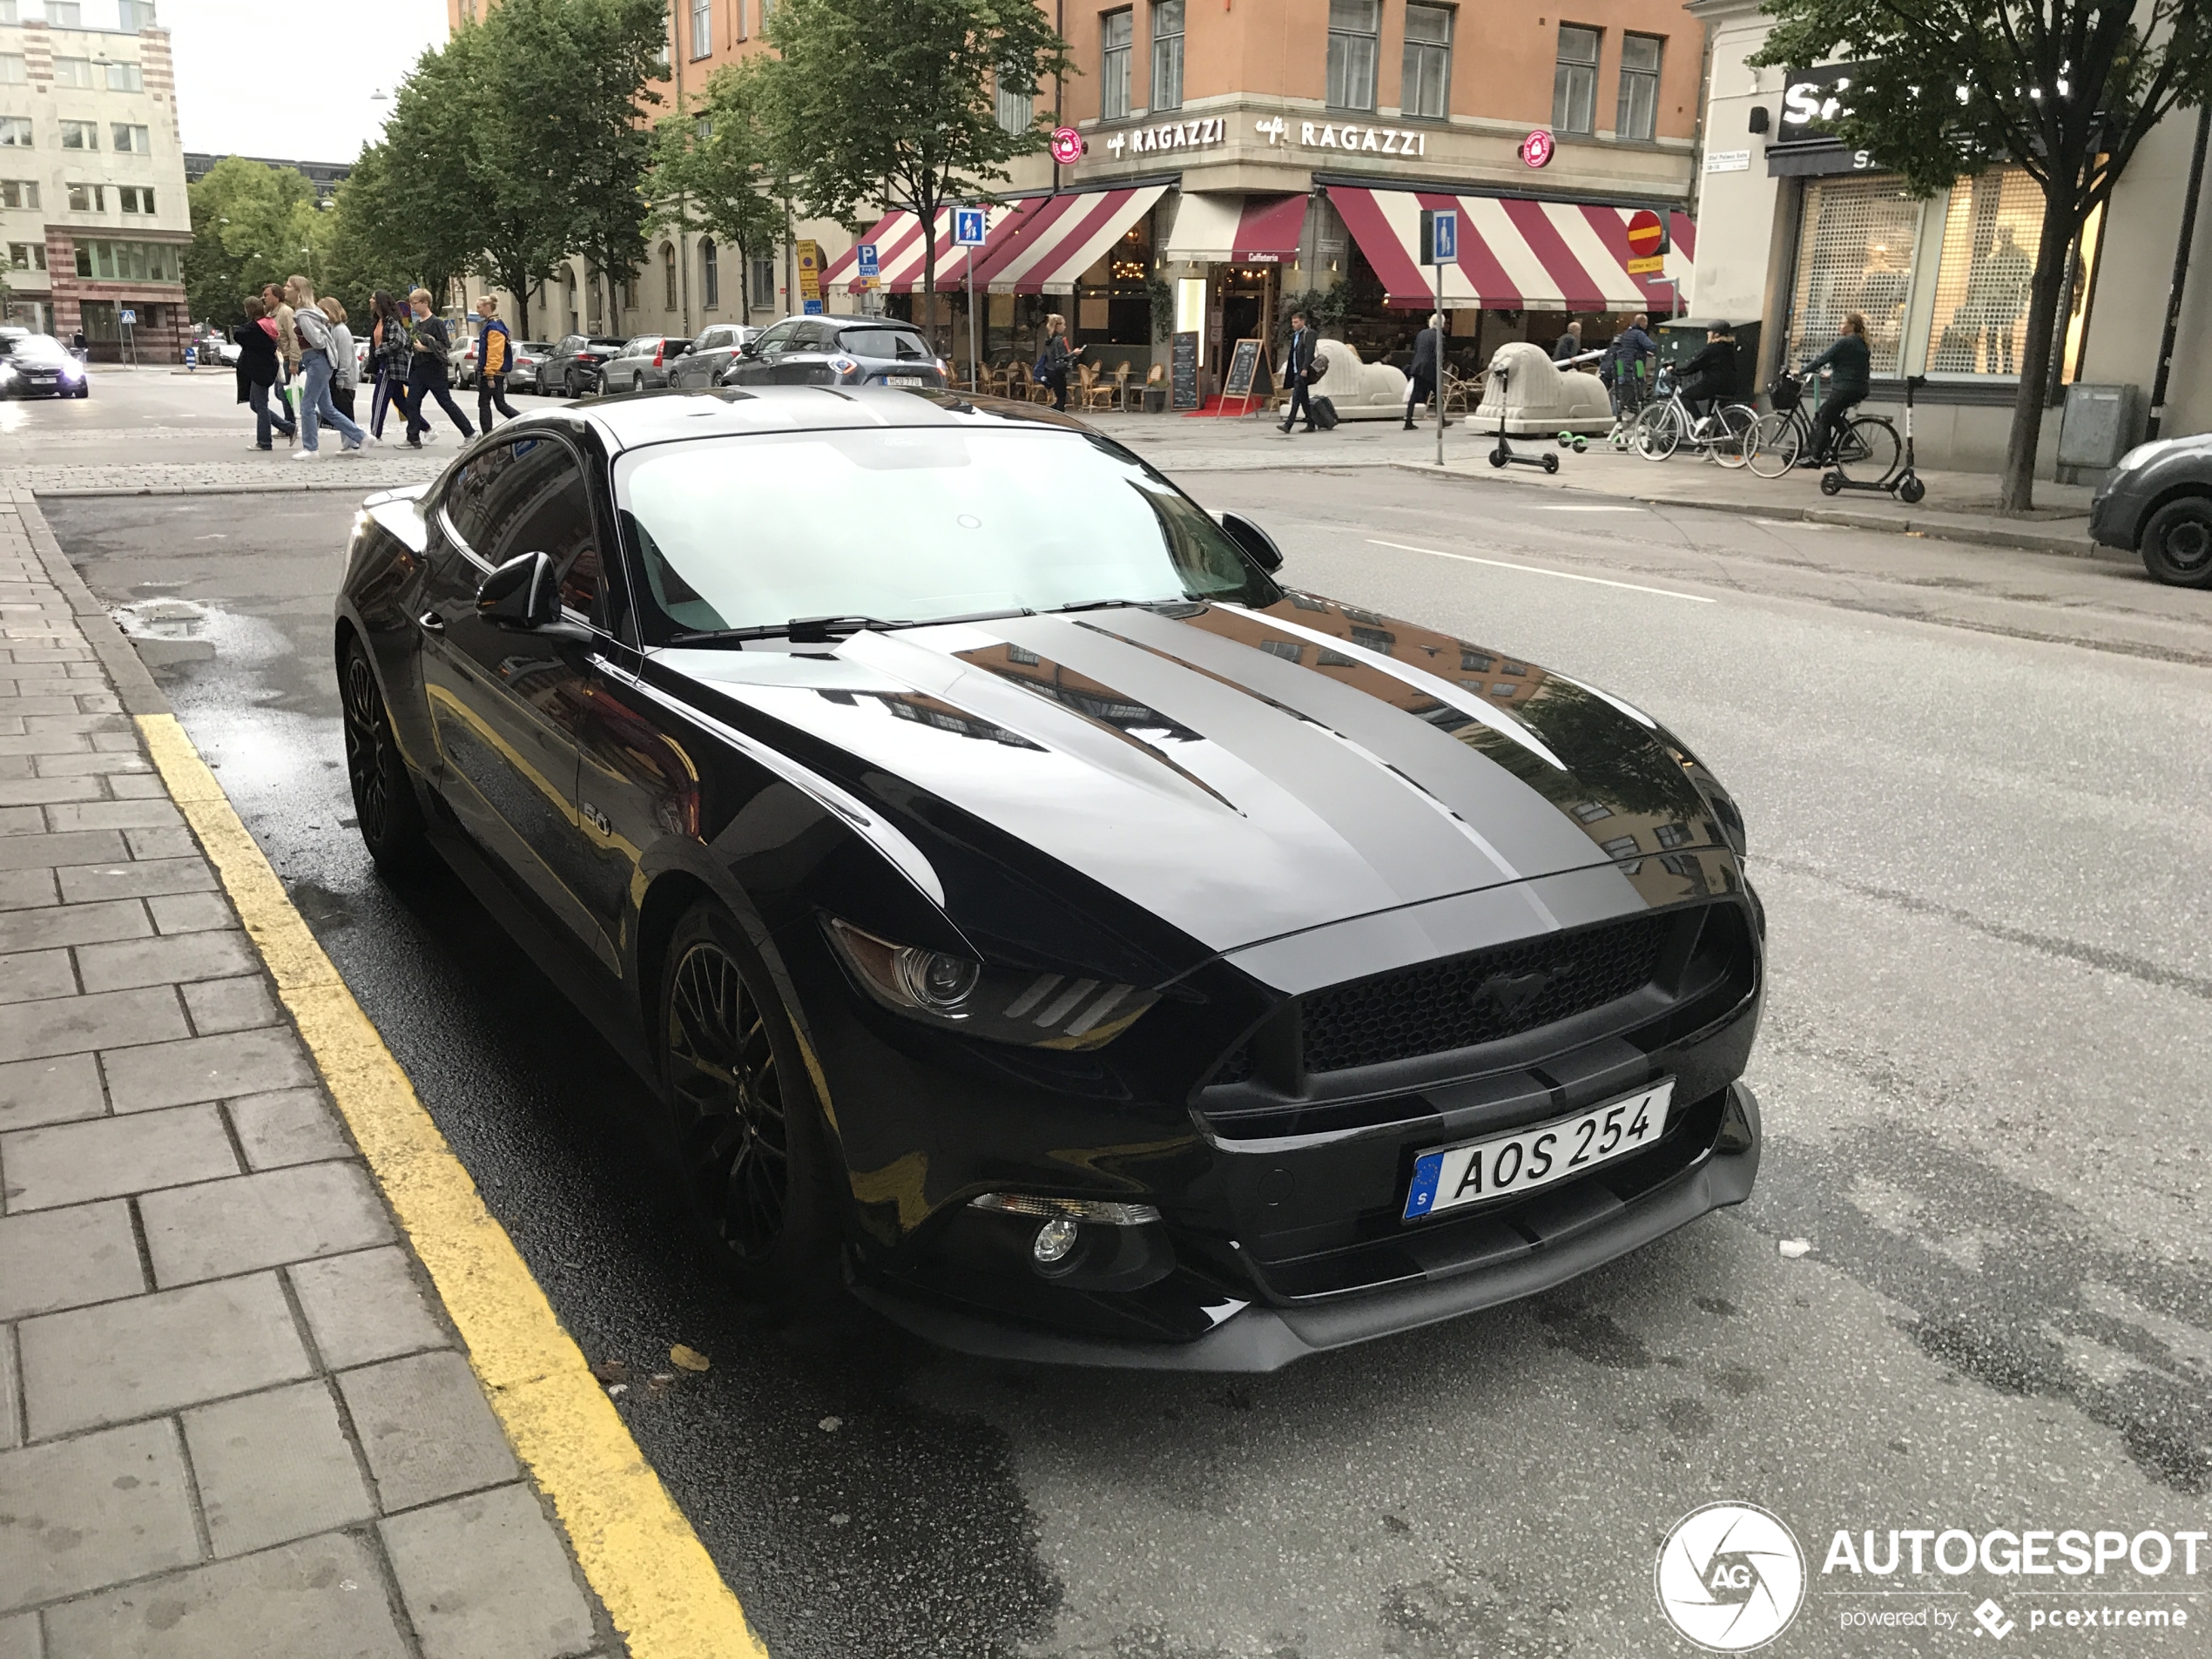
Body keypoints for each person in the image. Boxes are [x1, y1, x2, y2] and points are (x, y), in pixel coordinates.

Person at [285, 275, 370, 458]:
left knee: (307, 405)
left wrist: (318, 341)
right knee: (327, 409)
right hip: (318, 361)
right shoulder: (310, 311)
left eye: (288, 286)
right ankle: (362, 437)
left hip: (316, 360)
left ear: (298, 291)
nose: (285, 288)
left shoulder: (303, 314)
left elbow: (316, 341)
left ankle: (311, 448)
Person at [1799, 311, 1871, 468]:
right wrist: (1832, 375)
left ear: (1851, 326)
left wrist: (1799, 372)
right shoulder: (1861, 344)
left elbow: (1822, 359)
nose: (1840, 326)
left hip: (1845, 389)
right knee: (1831, 414)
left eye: (1842, 323)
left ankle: (1816, 459)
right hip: (1859, 388)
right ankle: (1845, 438)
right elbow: (1853, 367)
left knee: (1824, 415)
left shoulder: (1844, 342)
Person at [403, 288, 475, 447]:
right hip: (419, 369)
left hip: (434, 369)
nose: (412, 307)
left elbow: (444, 346)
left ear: (424, 303)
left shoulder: (436, 323)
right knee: (411, 402)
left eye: (414, 303)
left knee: (445, 402)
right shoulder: (417, 324)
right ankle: (412, 437)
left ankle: (470, 433)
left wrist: (426, 349)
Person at [233, 295, 296, 451]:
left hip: (259, 370)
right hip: (265, 369)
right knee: (256, 404)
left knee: (260, 406)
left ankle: (264, 441)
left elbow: (238, 334)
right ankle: (287, 427)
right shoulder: (268, 323)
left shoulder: (255, 328)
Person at [1673, 321, 1737, 422]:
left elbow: (1695, 365)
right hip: (1729, 386)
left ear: (1716, 334)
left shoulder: (1712, 349)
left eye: (1709, 331)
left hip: (1714, 384)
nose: (1707, 333)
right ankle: (1713, 434)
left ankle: (1700, 420)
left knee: (1685, 396)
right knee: (1712, 417)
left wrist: (1676, 371)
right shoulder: (1729, 347)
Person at [368, 291, 412, 440]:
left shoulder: (391, 321)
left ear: (381, 302)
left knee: (379, 400)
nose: (370, 300)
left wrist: (379, 351)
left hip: (390, 365)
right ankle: (426, 428)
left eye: (373, 298)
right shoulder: (379, 321)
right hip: (384, 363)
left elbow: (398, 342)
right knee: (400, 401)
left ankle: (374, 434)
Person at [474, 296, 520, 428]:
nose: (477, 311)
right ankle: (523, 423)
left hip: (493, 373)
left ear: (487, 307)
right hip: (495, 372)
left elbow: (495, 353)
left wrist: (489, 374)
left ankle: (487, 435)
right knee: (499, 404)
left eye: (479, 307)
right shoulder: (496, 324)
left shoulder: (493, 327)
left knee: (485, 404)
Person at [1402, 312, 1451, 430]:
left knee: (1414, 395)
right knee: (1438, 394)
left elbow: (1416, 350)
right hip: (1431, 369)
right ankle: (1441, 420)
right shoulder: (1440, 337)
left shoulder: (1421, 334)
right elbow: (1439, 356)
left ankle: (1408, 420)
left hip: (1418, 367)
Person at [1602, 312, 1657, 416]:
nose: (1646, 325)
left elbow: (1629, 348)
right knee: (1636, 390)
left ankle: (1615, 416)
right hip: (1634, 366)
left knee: (1619, 392)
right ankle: (1639, 414)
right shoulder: (1639, 334)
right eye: (1646, 323)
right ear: (1641, 322)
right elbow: (1651, 346)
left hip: (1621, 365)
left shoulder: (1626, 333)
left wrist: (1644, 352)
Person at [262, 282, 299, 429]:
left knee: (284, 392)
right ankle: (290, 423)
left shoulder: (285, 312)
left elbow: (294, 336)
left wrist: (294, 360)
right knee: (281, 392)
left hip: (288, 357)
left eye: (267, 295)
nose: (264, 298)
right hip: (280, 357)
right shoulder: (270, 314)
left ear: (277, 296)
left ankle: (290, 425)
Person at [1278, 310, 1318, 433]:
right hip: (1296, 370)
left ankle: (1288, 424)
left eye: (1296, 322)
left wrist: (1305, 368)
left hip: (1302, 371)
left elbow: (1309, 352)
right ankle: (1311, 423)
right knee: (1303, 398)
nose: (1293, 325)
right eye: (1293, 322)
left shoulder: (1309, 334)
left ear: (1303, 321)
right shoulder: (1296, 335)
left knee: (1296, 397)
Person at [321, 295, 360, 423]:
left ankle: (353, 440)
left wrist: (341, 378)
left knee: (345, 414)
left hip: (345, 380)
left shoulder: (340, 331)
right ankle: (351, 440)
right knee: (342, 413)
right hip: (341, 378)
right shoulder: (333, 329)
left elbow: (345, 357)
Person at [1034, 314, 1077, 413]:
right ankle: (1055, 414)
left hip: (1050, 370)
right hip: (1058, 371)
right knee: (1062, 397)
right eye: (1063, 324)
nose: (1065, 327)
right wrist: (1073, 354)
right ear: (1057, 325)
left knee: (1059, 395)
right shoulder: (1059, 340)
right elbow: (1060, 357)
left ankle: (1052, 410)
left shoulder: (1049, 339)